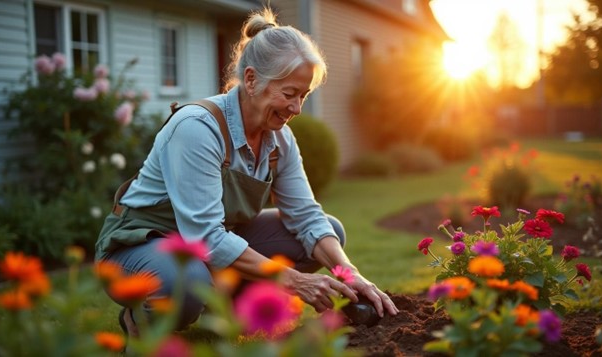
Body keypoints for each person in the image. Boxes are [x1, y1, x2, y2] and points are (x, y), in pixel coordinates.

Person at [95, 7, 398, 337]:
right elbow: (206, 237)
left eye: (304, 95)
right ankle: (138, 325)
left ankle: (229, 314)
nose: (297, 109)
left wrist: (350, 273)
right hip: (140, 246)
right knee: (186, 280)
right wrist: (296, 281)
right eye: (289, 94)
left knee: (328, 233)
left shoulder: (279, 138)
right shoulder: (197, 129)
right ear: (252, 80)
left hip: (207, 244)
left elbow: (307, 216)